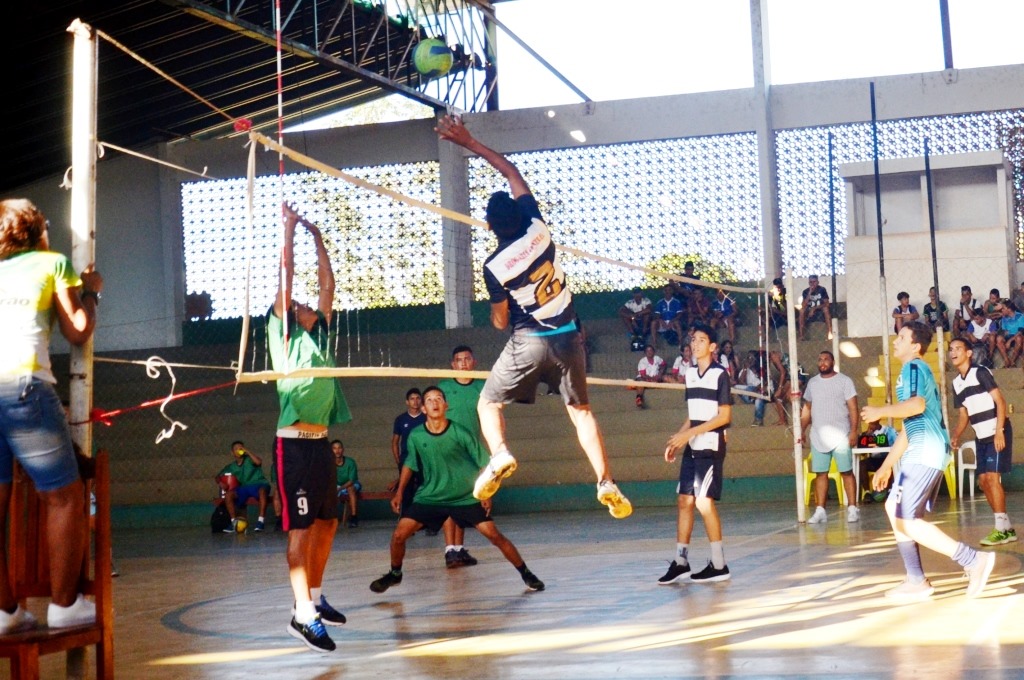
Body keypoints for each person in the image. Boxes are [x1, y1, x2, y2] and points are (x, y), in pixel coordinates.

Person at [435, 114, 631, 519]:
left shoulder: (496, 266)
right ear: (520, 215)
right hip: (569, 339)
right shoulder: (539, 230)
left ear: (489, 226)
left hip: (530, 340)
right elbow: (512, 172)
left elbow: (501, 321)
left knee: (488, 404)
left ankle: (501, 454)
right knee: (581, 414)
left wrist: (496, 313)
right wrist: (470, 142)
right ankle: (606, 481)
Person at [0, 198, 101, 634]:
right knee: (65, 497)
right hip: (24, 387)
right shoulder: (52, 262)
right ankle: (64, 605)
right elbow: (76, 328)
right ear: (38, 229)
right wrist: (92, 291)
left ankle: (5, 612)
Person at [268, 201, 351, 652]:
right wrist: (290, 231)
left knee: (327, 524)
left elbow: (327, 282)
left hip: (321, 443)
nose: (303, 304)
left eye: (307, 304)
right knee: (300, 530)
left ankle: (315, 600)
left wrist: (318, 237)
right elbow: (288, 278)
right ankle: (300, 615)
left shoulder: (321, 333)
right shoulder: (283, 332)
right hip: (294, 445)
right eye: (296, 303)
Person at [861, 321, 995, 601]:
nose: (895, 341)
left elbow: (917, 406)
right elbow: (911, 427)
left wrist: (879, 412)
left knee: (908, 520)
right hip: (920, 448)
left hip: (926, 451)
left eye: (901, 337)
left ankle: (972, 560)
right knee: (893, 507)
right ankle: (916, 580)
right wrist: (886, 466)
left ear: (915, 345)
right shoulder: (913, 371)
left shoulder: (913, 368)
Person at [369, 387, 544, 594]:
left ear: (446, 405)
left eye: (438, 399)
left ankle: (526, 573)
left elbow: (484, 463)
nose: (434, 403)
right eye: (429, 400)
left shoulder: (460, 432)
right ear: (423, 408)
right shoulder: (416, 435)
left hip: (464, 496)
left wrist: (487, 493)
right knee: (399, 535)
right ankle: (395, 574)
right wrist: (399, 492)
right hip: (431, 497)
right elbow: (410, 463)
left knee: (494, 535)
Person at [658, 324, 733, 584]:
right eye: (693, 340)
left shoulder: (720, 374)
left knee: (703, 502)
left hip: (711, 446)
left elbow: (724, 415)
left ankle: (719, 564)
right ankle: (681, 562)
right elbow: (693, 413)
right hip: (692, 445)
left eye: (702, 340)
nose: (696, 344)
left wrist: (688, 435)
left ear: (713, 347)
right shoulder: (690, 374)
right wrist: (678, 439)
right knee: (684, 501)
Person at [949, 338, 1016, 546]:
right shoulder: (956, 383)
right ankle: (1005, 527)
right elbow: (964, 415)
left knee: (993, 479)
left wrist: (999, 431)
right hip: (980, 436)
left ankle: (1000, 528)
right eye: (950, 349)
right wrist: (956, 435)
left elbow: (1000, 401)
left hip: (997, 431)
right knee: (983, 481)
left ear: (969, 353)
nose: (953, 352)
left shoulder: (981, 372)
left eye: (958, 349)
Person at [436, 345, 483, 568]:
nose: (463, 363)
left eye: (467, 359)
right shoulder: (443, 388)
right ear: (452, 364)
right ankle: (449, 549)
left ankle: (459, 549)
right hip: (448, 450)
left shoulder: (482, 387)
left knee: (464, 500)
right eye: (458, 360)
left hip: (471, 452)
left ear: (473, 361)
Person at [800, 351, 860, 524]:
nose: (823, 362)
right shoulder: (812, 383)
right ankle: (820, 510)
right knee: (820, 473)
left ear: (833, 361)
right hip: (818, 435)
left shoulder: (845, 381)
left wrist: (854, 431)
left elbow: (853, 408)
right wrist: (801, 430)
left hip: (841, 434)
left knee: (846, 472)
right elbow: (807, 409)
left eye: (826, 359)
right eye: (820, 359)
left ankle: (852, 508)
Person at [216, 440, 271, 532]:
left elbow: (258, 462)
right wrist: (220, 483)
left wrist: (247, 451)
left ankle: (260, 521)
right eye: (236, 449)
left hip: (259, 484)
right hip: (244, 487)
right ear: (232, 452)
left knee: (262, 491)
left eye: (240, 448)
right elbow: (217, 476)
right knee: (229, 495)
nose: (238, 450)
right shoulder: (232, 466)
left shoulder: (249, 459)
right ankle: (234, 523)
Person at [390, 387, 426, 509]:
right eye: (412, 399)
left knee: (425, 490)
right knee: (406, 492)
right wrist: (399, 461)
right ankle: (405, 518)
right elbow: (395, 442)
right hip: (407, 461)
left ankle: (427, 522)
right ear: (407, 402)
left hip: (425, 461)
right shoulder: (400, 419)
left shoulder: (427, 417)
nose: (415, 401)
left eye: (417, 398)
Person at [859, 418, 898, 502]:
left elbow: (896, 445)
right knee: (862, 464)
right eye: (869, 423)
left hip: (886, 459)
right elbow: (862, 453)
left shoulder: (888, 431)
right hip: (874, 460)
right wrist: (867, 436)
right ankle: (867, 492)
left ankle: (889, 491)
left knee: (892, 464)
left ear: (878, 421)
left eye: (872, 423)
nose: (870, 425)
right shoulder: (866, 434)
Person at [333, 440, 360, 529]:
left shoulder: (350, 462)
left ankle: (354, 517)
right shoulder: (328, 463)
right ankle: (331, 519)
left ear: (343, 449)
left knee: (351, 488)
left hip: (351, 484)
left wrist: (340, 489)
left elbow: (351, 481)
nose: (337, 451)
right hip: (337, 486)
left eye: (339, 448)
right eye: (334, 448)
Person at [798, 275, 832, 341]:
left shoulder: (822, 290)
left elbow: (827, 303)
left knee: (826, 309)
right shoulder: (805, 291)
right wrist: (809, 293)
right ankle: (801, 336)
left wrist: (814, 308)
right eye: (810, 282)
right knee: (801, 311)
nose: (812, 284)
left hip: (819, 310)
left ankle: (830, 333)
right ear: (809, 283)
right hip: (808, 311)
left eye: (814, 282)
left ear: (818, 282)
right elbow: (803, 306)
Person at [651, 284, 684, 349]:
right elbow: (657, 314)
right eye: (666, 290)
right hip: (662, 323)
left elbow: (679, 314)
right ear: (663, 291)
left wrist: (672, 321)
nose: (667, 292)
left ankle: (680, 343)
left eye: (669, 290)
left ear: (672, 291)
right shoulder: (660, 302)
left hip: (673, 323)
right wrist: (661, 320)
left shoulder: (676, 302)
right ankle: (654, 343)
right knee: (653, 323)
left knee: (677, 322)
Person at [634, 344, 666, 409]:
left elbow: (664, 364)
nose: (649, 352)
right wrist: (652, 379)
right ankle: (639, 398)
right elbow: (643, 374)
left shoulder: (657, 358)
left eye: (651, 350)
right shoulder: (642, 361)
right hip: (645, 379)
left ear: (654, 352)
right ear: (645, 353)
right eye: (647, 351)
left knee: (666, 377)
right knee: (640, 382)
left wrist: (660, 373)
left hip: (656, 379)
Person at [994, 301, 1024, 368]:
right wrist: (1004, 336)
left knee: (1019, 338)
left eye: (1003, 308)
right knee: (999, 338)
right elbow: (1005, 331)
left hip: (1017, 336)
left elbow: (1020, 331)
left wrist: (1009, 341)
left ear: (1009, 309)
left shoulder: (1020, 316)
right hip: (1009, 336)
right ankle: (1007, 361)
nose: (1002, 310)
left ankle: (1013, 361)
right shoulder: (1004, 318)